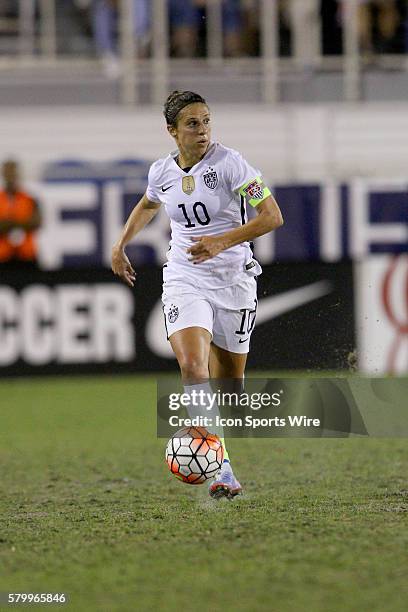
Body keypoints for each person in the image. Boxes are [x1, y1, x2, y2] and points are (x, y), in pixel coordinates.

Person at [111, 90, 283, 499]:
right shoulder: (162, 172)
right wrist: (120, 245)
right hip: (185, 277)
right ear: (172, 131)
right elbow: (148, 205)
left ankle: (215, 446)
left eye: (206, 121)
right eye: (192, 123)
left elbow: (272, 216)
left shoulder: (232, 164)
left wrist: (222, 242)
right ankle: (222, 470)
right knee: (192, 366)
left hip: (234, 280)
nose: (202, 130)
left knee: (230, 391)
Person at [0, 159, 42, 268]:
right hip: (3, 255)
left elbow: (36, 222)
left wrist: (9, 223)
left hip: (27, 254)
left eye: (13, 173)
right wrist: (22, 222)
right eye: (8, 173)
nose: (11, 177)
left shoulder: (29, 199)